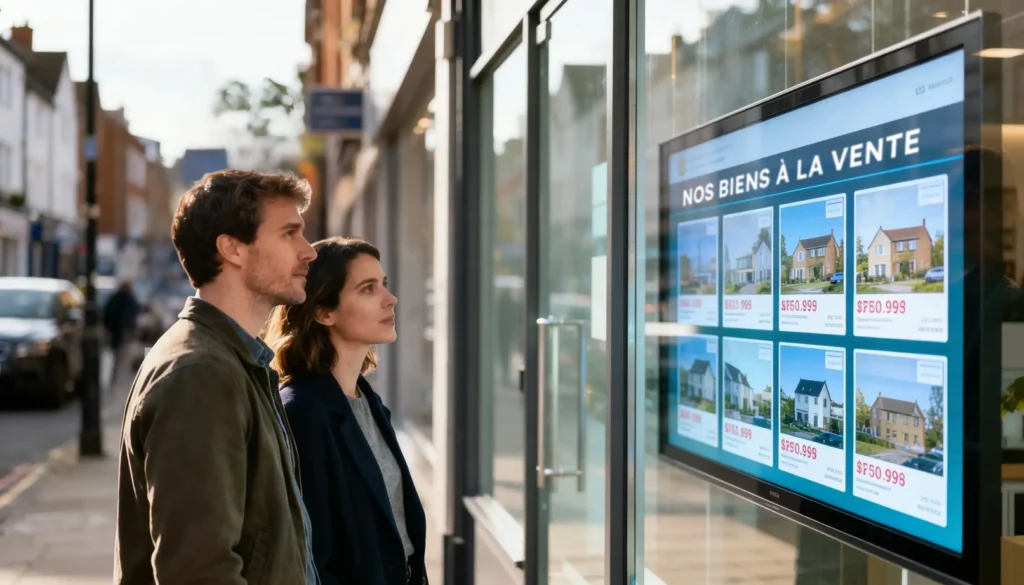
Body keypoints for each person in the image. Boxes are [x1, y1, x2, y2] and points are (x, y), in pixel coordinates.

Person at [113, 169, 321, 585]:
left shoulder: (234, 361)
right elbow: (198, 571)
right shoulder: (200, 375)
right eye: (289, 234)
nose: (308, 251)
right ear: (232, 249)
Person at [264, 237, 428, 585]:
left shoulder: (369, 402)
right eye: (368, 289)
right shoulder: (302, 412)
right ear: (324, 312)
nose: (390, 299)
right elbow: (313, 556)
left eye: (384, 284)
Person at [102, 279, 140, 384]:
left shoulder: (116, 299)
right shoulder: (128, 299)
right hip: (122, 333)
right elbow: (135, 311)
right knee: (123, 359)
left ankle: (116, 379)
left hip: (117, 333)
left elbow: (106, 314)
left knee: (118, 359)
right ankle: (120, 380)